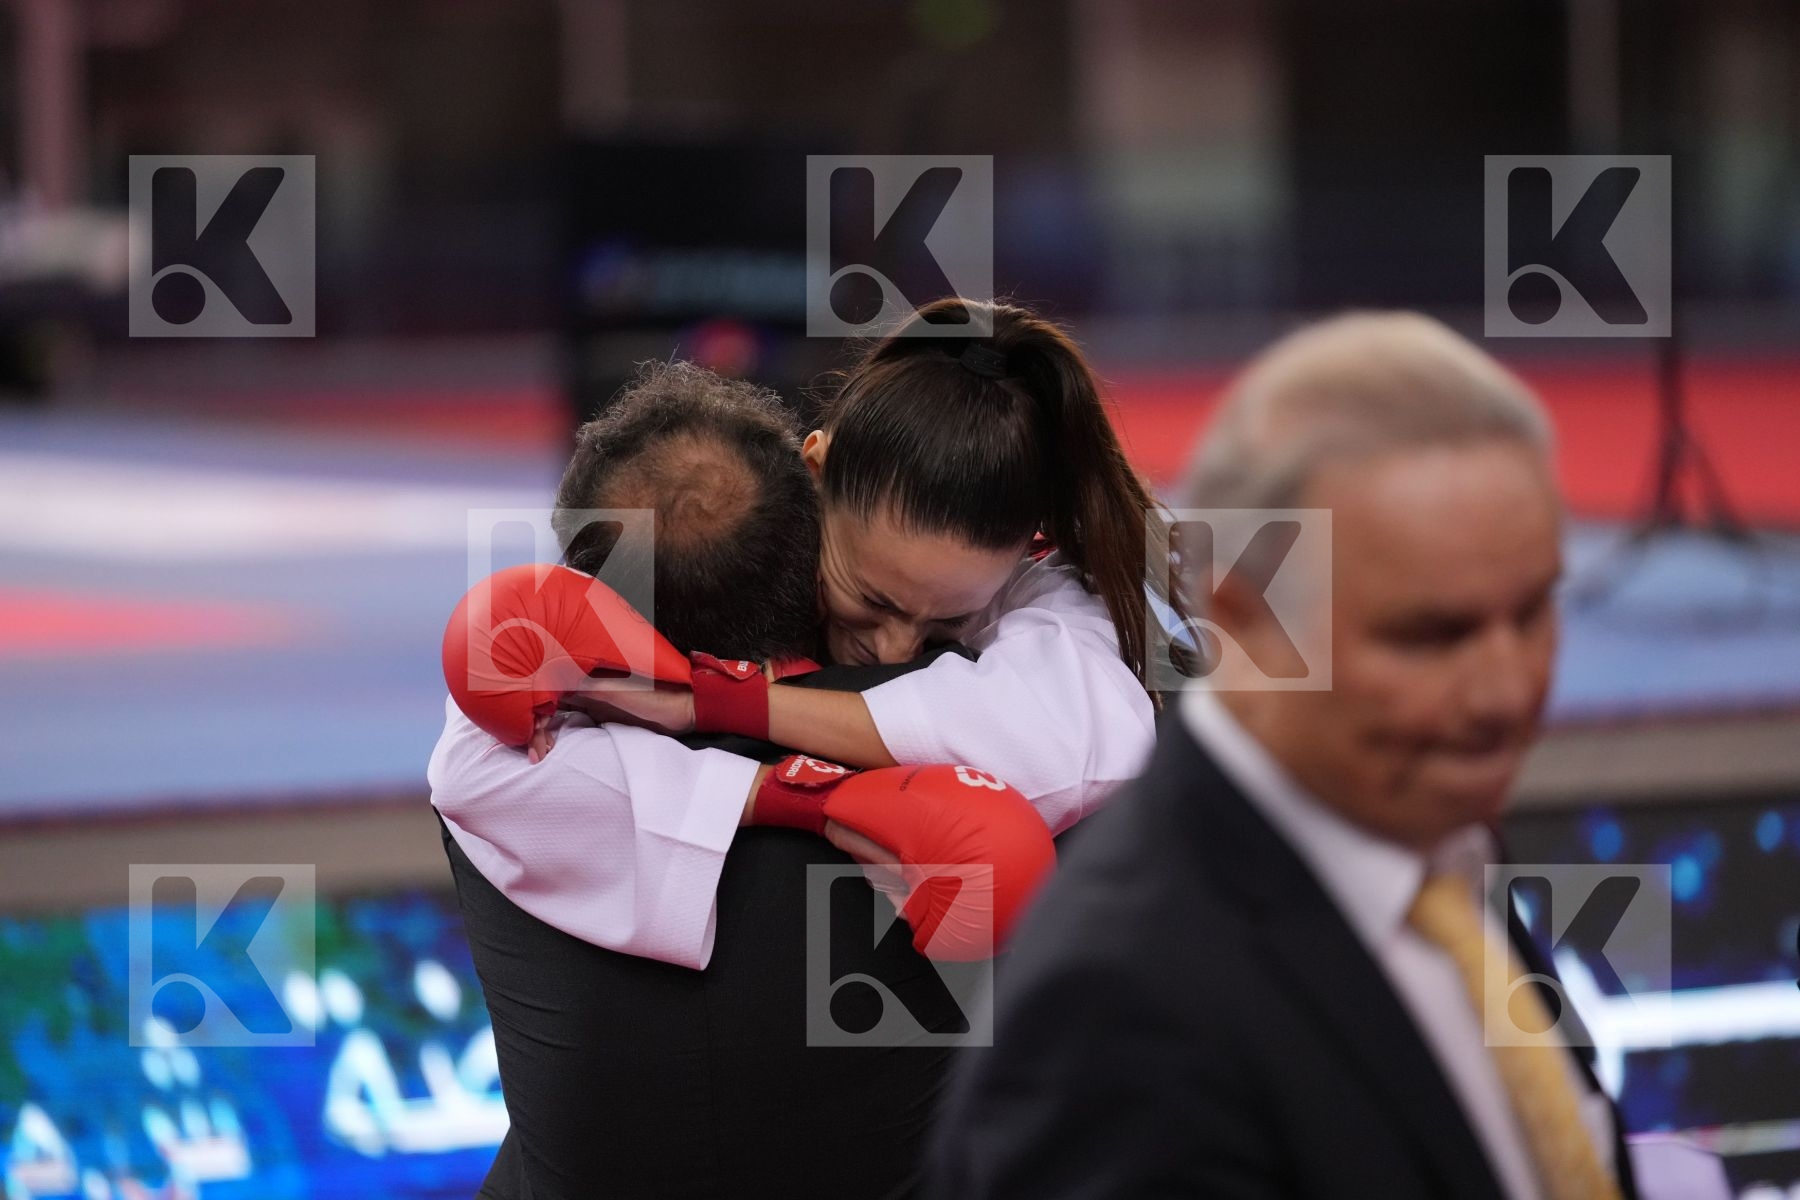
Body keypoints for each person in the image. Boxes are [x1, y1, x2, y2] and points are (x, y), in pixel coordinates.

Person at [928, 313, 1727, 1199]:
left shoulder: (1421, 827)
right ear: (1247, 619)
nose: (1506, 689)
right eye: (1434, 635)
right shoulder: (1118, 1012)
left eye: (1533, 612)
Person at [435, 362, 1040, 1199]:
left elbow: (486, 687)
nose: (901, 643)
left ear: (581, 586)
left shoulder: (504, 757)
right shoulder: (980, 755)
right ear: (815, 533)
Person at [432, 298, 1170, 971]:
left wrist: (713, 702)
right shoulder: (643, 610)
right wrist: (793, 796)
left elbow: (1078, 747)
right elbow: (475, 767)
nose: (895, 650)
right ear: (815, 471)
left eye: (946, 620)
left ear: (1028, 549)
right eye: (872, 599)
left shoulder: (1047, 602)